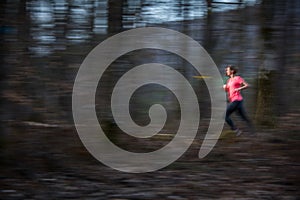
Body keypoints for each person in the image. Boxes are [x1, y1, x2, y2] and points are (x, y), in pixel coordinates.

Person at [223, 65, 254, 136]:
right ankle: (253, 132)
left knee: (225, 116)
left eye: (227, 70)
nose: (226, 71)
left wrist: (239, 89)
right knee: (243, 117)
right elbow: (228, 90)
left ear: (232, 71)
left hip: (237, 100)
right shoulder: (229, 80)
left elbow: (247, 85)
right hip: (236, 101)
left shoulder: (238, 78)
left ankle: (236, 130)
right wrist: (224, 88)